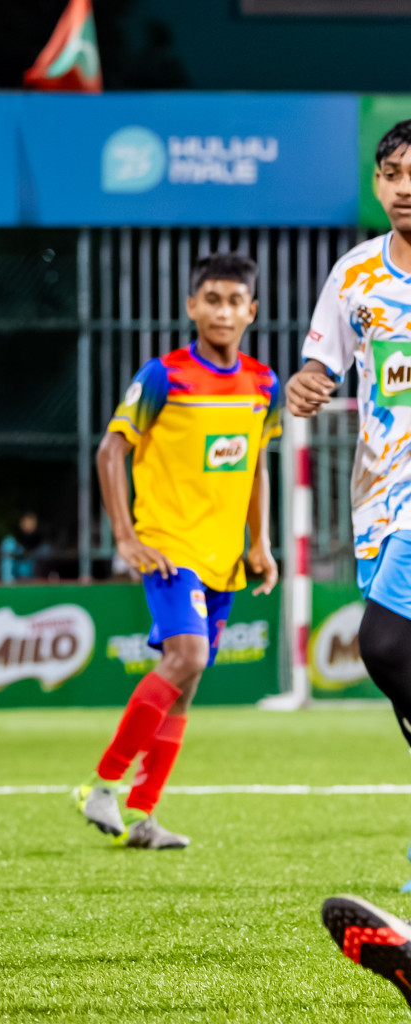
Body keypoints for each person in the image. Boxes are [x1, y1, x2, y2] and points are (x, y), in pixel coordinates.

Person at [75, 253, 279, 851]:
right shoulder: (163, 375)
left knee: (186, 685)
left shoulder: (262, 382)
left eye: (234, 300)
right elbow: (111, 452)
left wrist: (260, 543)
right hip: (169, 549)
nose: (222, 310)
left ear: (252, 311)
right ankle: (102, 784)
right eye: (211, 299)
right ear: (192, 306)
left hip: (224, 557)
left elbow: (256, 466)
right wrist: (127, 538)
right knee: (186, 657)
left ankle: (142, 817)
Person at [304, 122, 411, 990]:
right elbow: (322, 370)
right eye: (392, 173)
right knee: (395, 667)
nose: (405, 185)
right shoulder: (356, 275)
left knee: (380, 646)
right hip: (379, 503)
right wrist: (307, 386)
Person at [0, 511, 49, 584]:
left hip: (35, 586)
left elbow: (44, 571)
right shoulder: (10, 543)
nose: (29, 526)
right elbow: (6, 567)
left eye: (32, 523)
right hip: (14, 586)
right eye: (26, 523)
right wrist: (8, 584)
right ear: (21, 524)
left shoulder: (43, 547)